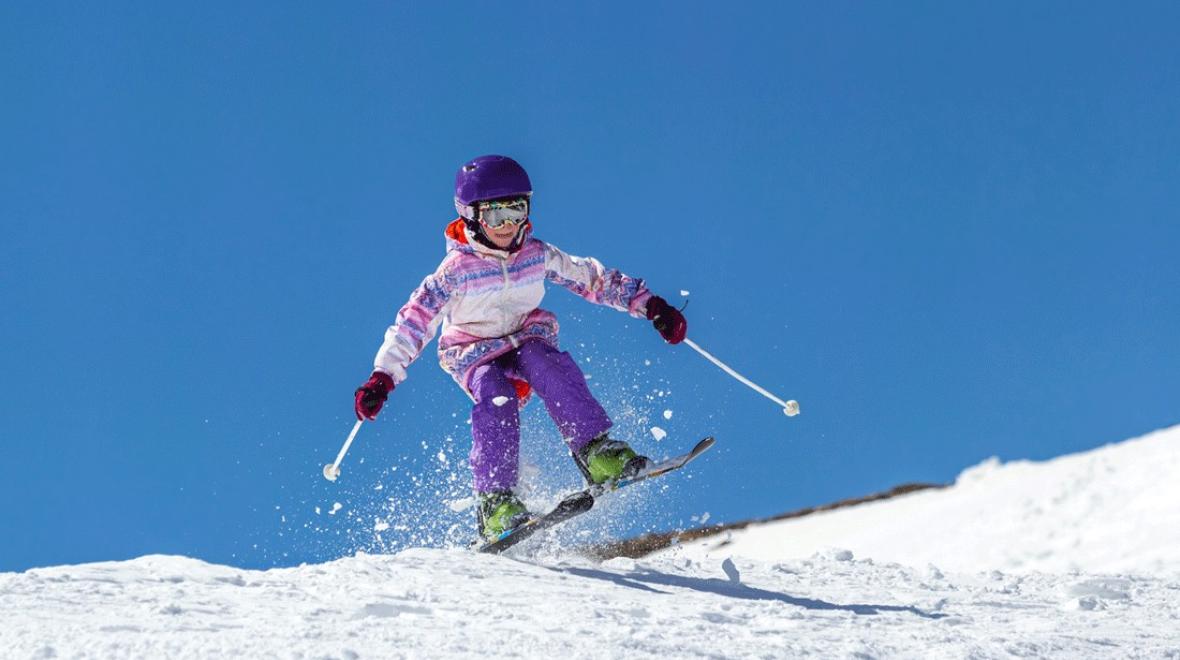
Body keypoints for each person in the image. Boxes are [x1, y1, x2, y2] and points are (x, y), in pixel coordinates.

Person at [353, 155, 687, 542]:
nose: (508, 225)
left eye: (516, 211)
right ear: (471, 217)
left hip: (526, 336)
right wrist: (383, 377)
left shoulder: (536, 255)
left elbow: (592, 279)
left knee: (548, 365)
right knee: (496, 396)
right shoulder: (454, 272)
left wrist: (650, 306)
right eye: (495, 216)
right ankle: (495, 502)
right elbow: (414, 323)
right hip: (473, 352)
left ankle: (597, 452)